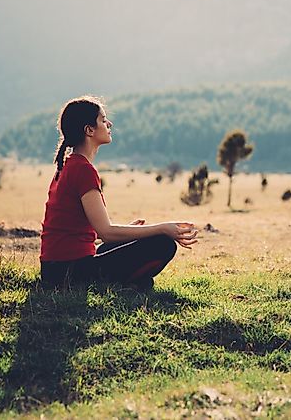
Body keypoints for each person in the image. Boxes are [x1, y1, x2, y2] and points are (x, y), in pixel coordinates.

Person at [40, 96, 198, 289]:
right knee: (162, 244)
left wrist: (132, 232)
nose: (109, 123)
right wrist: (164, 228)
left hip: (55, 270)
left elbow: (80, 231)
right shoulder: (83, 170)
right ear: (89, 130)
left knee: (133, 243)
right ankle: (128, 282)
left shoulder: (68, 166)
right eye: (103, 119)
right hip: (71, 273)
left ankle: (132, 281)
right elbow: (106, 232)